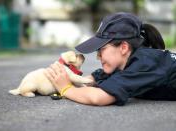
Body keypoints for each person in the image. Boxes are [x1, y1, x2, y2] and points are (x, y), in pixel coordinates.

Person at [44, 12, 176, 106]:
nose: (98, 56)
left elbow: (98, 97)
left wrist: (66, 88)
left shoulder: (144, 63)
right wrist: (67, 78)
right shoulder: (127, 62)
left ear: (123, 47)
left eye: (102, 50)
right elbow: (94, 79)